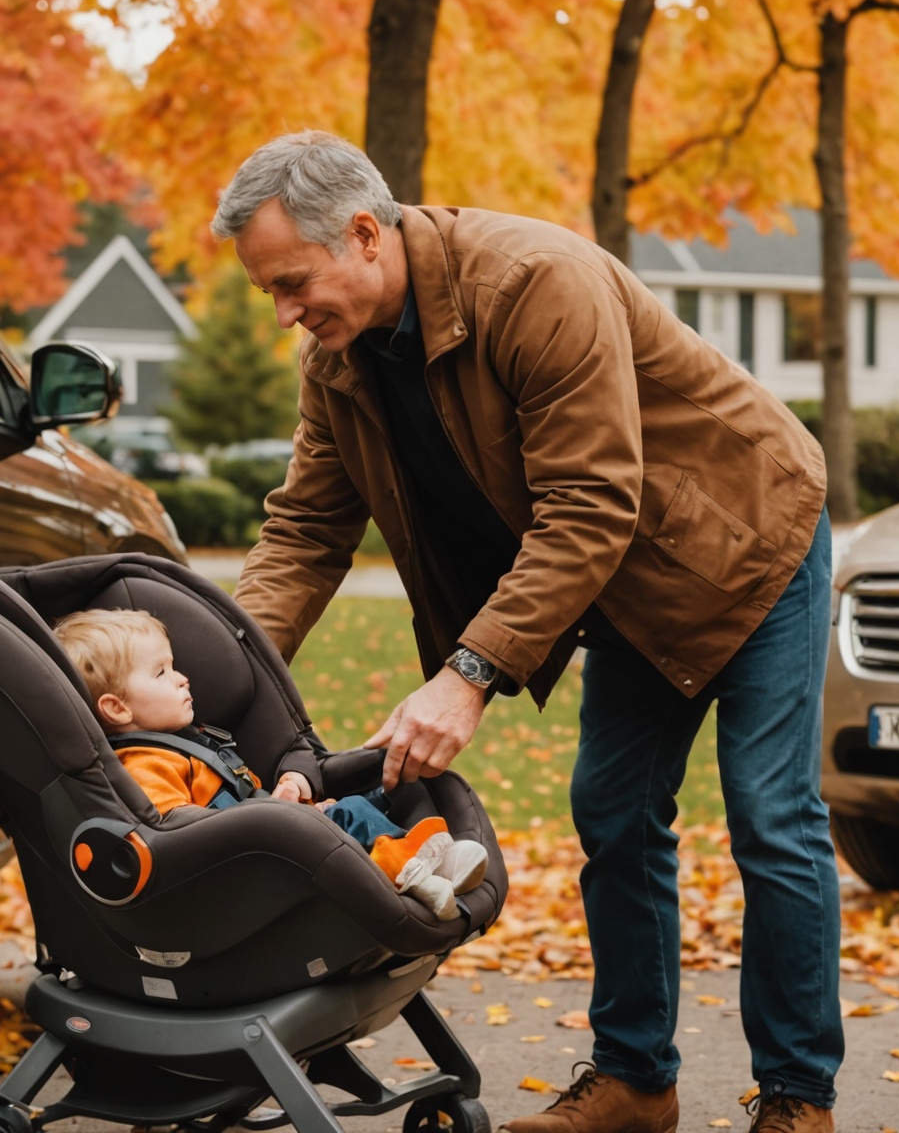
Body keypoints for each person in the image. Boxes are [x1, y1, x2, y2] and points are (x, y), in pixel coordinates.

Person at [218, 132, 840, 1133]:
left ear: (366, 235)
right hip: (629, 585)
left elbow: (592, 504)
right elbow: (304, 533)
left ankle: (799, 1099)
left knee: (769, 816)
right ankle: (637, 1082)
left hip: (748, 542)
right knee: (614, 812)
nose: (288, 313)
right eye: (273, 294)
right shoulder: (338, 365)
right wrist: (220, 669)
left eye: (294, 283)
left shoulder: (532, 283)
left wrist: (468, 673)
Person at [50, 607, 488, 919]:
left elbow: (237, 793)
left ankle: (429, 860)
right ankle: (410, 869)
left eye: (174, 665)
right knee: (351, 812)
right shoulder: (145, 762)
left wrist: (285, 793)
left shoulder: (189, 743)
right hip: (254, 861)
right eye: (161, 673)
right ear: (117, 708)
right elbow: (174, 827)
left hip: (273, 834)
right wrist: (271, 818)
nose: (182, 677)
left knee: (380, 790)